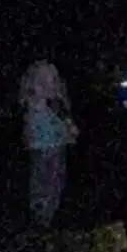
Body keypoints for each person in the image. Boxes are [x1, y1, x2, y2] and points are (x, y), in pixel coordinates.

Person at [19, 59, 79, 228]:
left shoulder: (57, 105)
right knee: (42, 180)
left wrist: (70, 130)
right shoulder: (32, 105)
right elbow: (29, 128)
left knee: (56, 180)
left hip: (57, 146)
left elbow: (65, 122)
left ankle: (48, 215)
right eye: (41, 81)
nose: (47, 85)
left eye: (51, 80)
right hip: (40, 148)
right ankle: (39, 216)